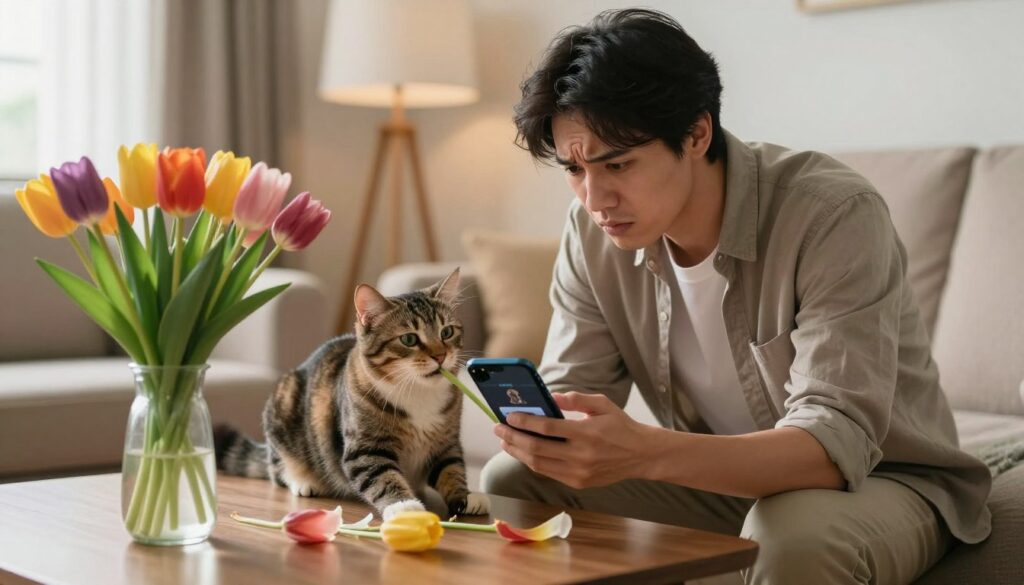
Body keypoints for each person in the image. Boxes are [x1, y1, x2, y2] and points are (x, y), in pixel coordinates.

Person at [480, 8, 991, 585]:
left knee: (793, 531)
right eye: (574, 169)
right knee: (514, 480)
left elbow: (832, 446)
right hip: (718, 480)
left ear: (697, 134)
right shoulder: (591, 232)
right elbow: (576, 392)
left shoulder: (832, 214)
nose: (595, 198)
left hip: (882, 480)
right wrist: (549, 431)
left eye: (617, 163)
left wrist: (644, 450)